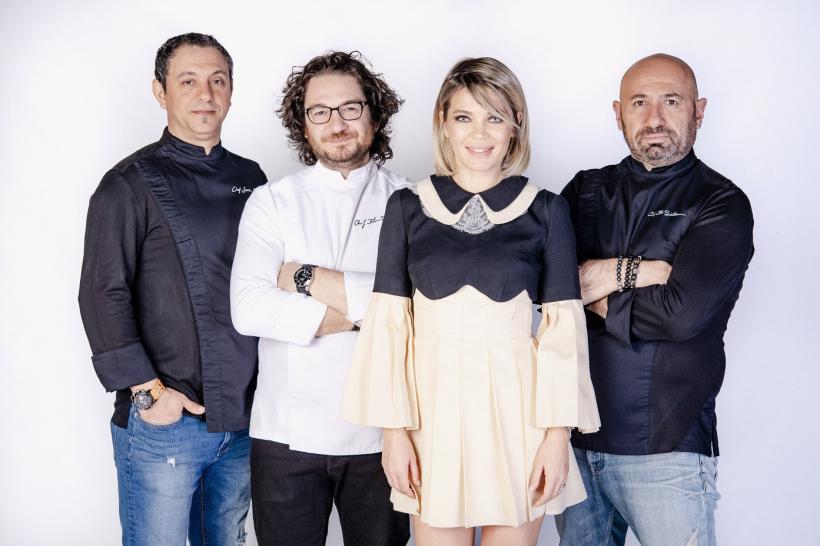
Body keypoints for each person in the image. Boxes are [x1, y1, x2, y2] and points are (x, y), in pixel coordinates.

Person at [341, 57, 601, 546]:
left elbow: (563, 331)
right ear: (443, 122)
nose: (479, 133)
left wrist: (556, 436)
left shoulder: (547, 209)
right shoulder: (407, 207)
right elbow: (389, 326)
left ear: (515, 125)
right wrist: (394, 434)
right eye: (464, 117)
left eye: (494, 117)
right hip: (431, 421)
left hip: (520, 421)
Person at [555, 54, 754, 546]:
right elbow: (547, 290)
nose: (655, 118)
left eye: (672, 101)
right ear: (618, 113)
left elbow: (679, 314)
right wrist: (636, 272)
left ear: (699, 110)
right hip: (572, 445)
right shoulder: (584, 190)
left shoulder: (721, 203)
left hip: (668, 449)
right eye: (639, 103)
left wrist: (592, 283)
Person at [78, 33, 266, 546]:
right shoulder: (128, 183)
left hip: (242, 420)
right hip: (166, 424)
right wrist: (150, 394)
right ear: (160, 92)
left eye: (217, 80)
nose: (206, 94)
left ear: (231, 91)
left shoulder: (252, 177)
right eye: (188, 81)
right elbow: (102, 293)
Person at [230, 51, 411, 546]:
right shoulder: (271, 201)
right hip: (285, 435)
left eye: (351, 108)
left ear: (375, 115)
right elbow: (249, 308)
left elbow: (420, 307)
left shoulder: (412, 201)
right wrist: (374, 309)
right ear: (303, 124)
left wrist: (303, 277)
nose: (337, 123)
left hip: (384, 434)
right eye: (320, 112)